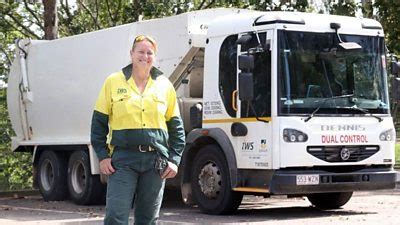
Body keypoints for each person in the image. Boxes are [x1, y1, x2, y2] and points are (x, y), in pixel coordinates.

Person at [90, 35, 185, 225]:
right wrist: (102, 156)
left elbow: (176, 128)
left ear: (154, 57)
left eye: (150, 53)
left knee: (148, 219)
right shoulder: (113, 82)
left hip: (155, 162)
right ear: (131, 54)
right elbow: (98, 124)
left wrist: (174, 160)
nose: (145, 56)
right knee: (115, 216)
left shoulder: (164, 85)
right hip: (123, 160)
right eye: (141, 51)